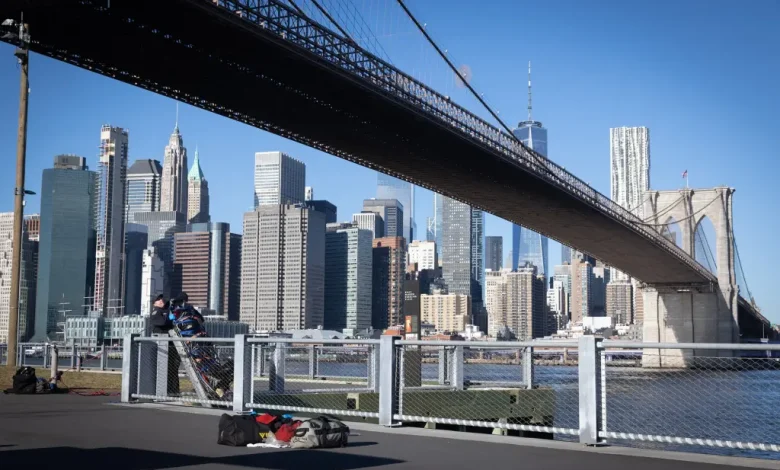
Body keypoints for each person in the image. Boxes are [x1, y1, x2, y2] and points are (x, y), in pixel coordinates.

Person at [150, 294, 180, 395]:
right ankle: (167, 390)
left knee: (173, 368)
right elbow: (161, 322)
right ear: (154, 303)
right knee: (165, 368)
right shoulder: (156, 312)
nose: (161, 301)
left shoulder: (165, 311)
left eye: (161, 299)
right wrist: (169, 316)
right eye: (158, 300)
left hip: (170, 344)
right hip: (163, 344)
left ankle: (174, 390)